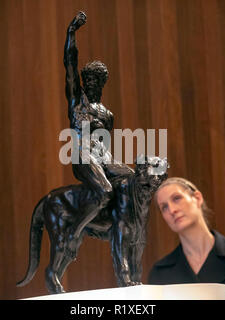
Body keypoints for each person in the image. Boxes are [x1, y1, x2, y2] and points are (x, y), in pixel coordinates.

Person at [63, 11, 133, 242]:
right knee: (105, 190)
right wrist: (71, 32)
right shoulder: (77, 100)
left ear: (102, 83)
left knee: (132, 177)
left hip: (101, 158)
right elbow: (70, 63)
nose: (90, 83)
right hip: (83, 157)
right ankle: (76, 230)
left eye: (95, 80)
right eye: (88, 80)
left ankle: (116, 223)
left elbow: (106, 148)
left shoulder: (107, 114)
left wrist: (115, 168)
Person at [147, 177, 225, 300]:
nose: (172, 210)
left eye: (177, 198)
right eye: (164, 207)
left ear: (197, 198)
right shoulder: (159, 272)